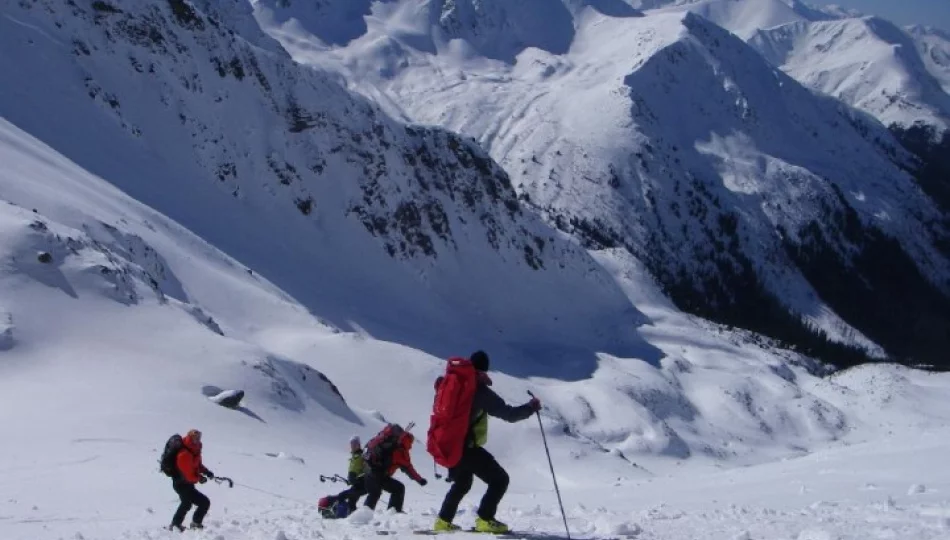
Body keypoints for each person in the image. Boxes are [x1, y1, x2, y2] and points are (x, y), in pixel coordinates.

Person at [434, 351, 540, 533]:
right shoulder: (478, 390)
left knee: (463, 483)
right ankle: (485, 519)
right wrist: (530, 407)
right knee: (500, 479)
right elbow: (509, 414)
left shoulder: (451, 384)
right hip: (466, 447)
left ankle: (443, 521)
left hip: (450, 445)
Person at [363, 427, 427, 513]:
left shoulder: (387, 441)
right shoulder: (400, 451)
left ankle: (362, 515)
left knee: (374, 494)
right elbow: (408, 468)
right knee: (399, 489)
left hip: (368, 471)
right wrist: (420, 480)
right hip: (380, 475)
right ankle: (393, 513)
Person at [169, 429, 214, 531]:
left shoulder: (195, 450)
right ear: (190, 437)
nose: (197, 439)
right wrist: (200, 478)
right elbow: (188, 475)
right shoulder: (184, 454)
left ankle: (189, 524)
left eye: (199, 437)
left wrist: (206, 472)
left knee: (196, 503)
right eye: (195, 437)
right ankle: (179, 525)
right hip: (180, 483)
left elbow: (198, 465)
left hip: (188, 484)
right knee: (194, 503)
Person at [319, 435, 369, 517]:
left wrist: (358, 479)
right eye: (352, 444)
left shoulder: (361, 456)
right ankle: (352, 517)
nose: (353, 445)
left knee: (342, 496)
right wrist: (352, 480)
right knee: (351, 501)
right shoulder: (355, 456)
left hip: (362, 485)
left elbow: (364, 469)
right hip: (358, 485)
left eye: (355, 443)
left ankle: (341, 515)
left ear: (359, 444)